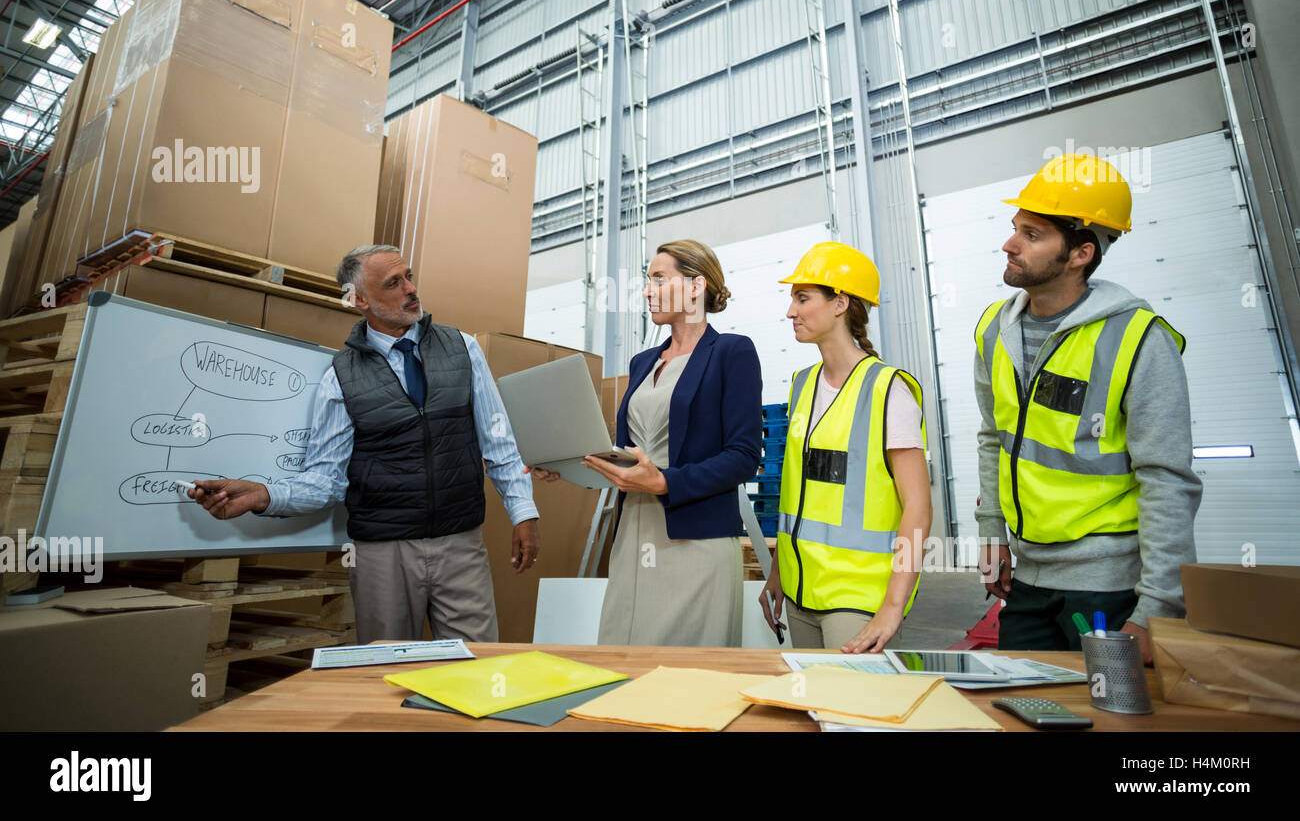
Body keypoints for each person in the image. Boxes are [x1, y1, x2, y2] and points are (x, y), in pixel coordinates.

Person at [188, 244, 541, 645]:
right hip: (381, 554)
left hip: (461, 542)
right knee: (384, 676)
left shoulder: (463, 348)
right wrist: (262, 495)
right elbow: (326, 480)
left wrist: (522, 511)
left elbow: (498, 441)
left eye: (409, 276)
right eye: (394, 283)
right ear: (359, 300)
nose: (411, 289)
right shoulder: (340, 377)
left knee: (476, 668)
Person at [974, 154, 1201, 663]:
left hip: (1107, 588)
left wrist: (1157, 609)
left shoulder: (1140, 339)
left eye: (1031, 235)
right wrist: (992, 536)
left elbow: (1168, 478)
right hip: (1026, 582)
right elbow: (994, 438)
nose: (1010, 244)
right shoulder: (994, 330)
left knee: (1112, 722)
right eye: (1016, 229)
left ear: (1080, 253)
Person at [537, 239, 761, 646]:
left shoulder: (732, 352)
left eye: (659, 279)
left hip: (695, 542)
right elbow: (630, 459)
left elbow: (744, 457)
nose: (646, 291)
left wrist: (665, 483)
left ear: (696, 286)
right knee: (622, 658)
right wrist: (571, 460)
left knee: (683, 677)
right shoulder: (643, 362)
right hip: (632, 537)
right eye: (647, 280)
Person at [759, 242, 932, 653]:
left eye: (803, 299)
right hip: (801, 595)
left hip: (857, 605)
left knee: (852, 715)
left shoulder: (888, 391)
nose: (790, 312)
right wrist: (780, 574)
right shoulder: (801, 386)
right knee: (810, 715)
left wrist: (893, 607)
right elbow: (802, 497)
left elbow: (919, 508)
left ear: (840, 303)